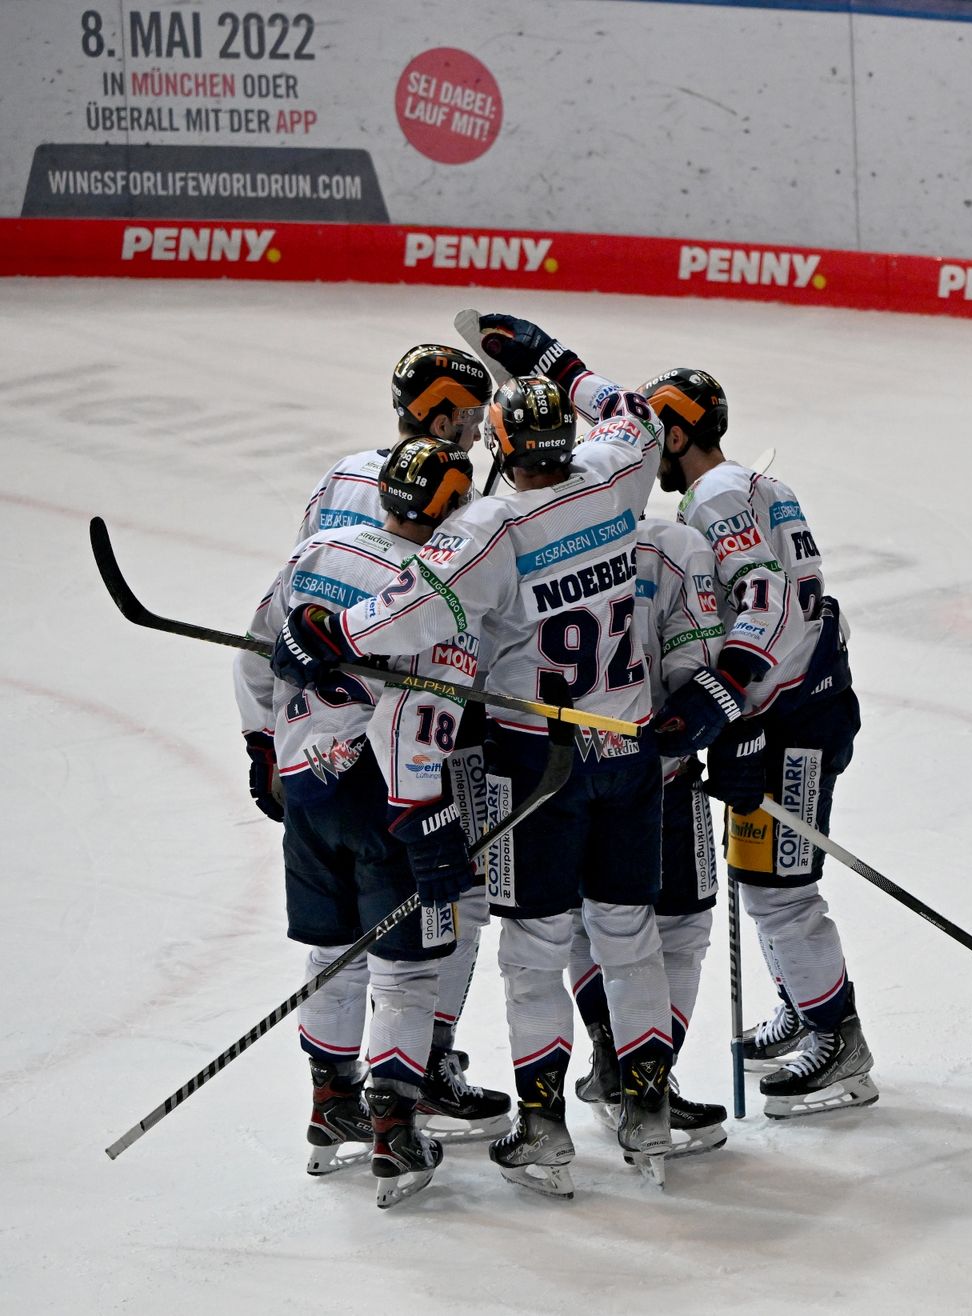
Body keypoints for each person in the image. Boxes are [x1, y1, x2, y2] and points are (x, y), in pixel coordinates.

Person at [272, 314, 680, 1195]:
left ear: (495, 440)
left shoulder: (488, 525)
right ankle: (645, 1103)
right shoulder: (613, 479)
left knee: (531, 944)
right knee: (627, 930)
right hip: (629, 749)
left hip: (539, 763)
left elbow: (411, 611)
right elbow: (635, 412)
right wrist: (556, 361)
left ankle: (540, 1127)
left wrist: (323, 633)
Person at [235, 436, 503, 1207]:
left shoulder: (317, 548)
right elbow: (415, 720)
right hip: (386, 793)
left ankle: (331, 1106)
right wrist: (424, 820)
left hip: (305, 791)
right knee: (407, 968)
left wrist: (264, 749)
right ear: (451, 507)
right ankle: (393, 1127)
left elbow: (254, 655)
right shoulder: (436, 594)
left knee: (330, 953)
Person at [282, 341, 507, 1141]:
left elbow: (289, 606)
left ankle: (347, 1092)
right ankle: (413, 1074)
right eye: (471, 419)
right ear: (439, 413)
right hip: (424, 741)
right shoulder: (465, 503)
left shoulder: (348, 477)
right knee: (448, 905)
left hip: (317, 747)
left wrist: (266, 741)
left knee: (345, 926)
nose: (480, 435)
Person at [639, 365, 874, 1119]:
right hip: (792, 707)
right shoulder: (756, 485)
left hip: (795, 719)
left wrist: (726, 701)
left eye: (655, 437)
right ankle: (807, 1006)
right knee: (762, 877)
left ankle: (840, 1041)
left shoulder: (713, 498)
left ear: (678, 434)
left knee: (780, 890)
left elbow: (766, 605)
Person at [567, 507, 732, 1152]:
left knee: (589, 919)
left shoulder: (532, 530)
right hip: (655, 774)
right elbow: (698, 668)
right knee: (681, 924)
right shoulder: (675, 543)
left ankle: (618, 1062)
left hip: (563, 774)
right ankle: (646, 1081)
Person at [296, 344, 492, 539]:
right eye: (474, 424)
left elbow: (301, 555)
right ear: (441, 426)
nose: (476, 436)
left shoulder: (342, 473)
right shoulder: (446, 496)